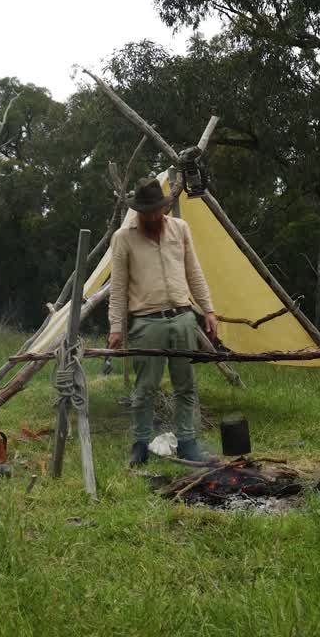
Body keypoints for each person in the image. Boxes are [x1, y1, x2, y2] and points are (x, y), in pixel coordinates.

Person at [108, 177, 218, 467]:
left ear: (163, 208)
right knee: (145, 388)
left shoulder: (179, 229)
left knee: (186, 385)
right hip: (146, 323)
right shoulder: (123, 237)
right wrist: (116, 328)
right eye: (147, 212)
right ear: (138, 211)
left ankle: (187, 442)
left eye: (157, 211)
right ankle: (141, 444)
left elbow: (194, 271)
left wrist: (208, 309)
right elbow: (118, 288)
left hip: (182, 317)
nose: (153, 217)